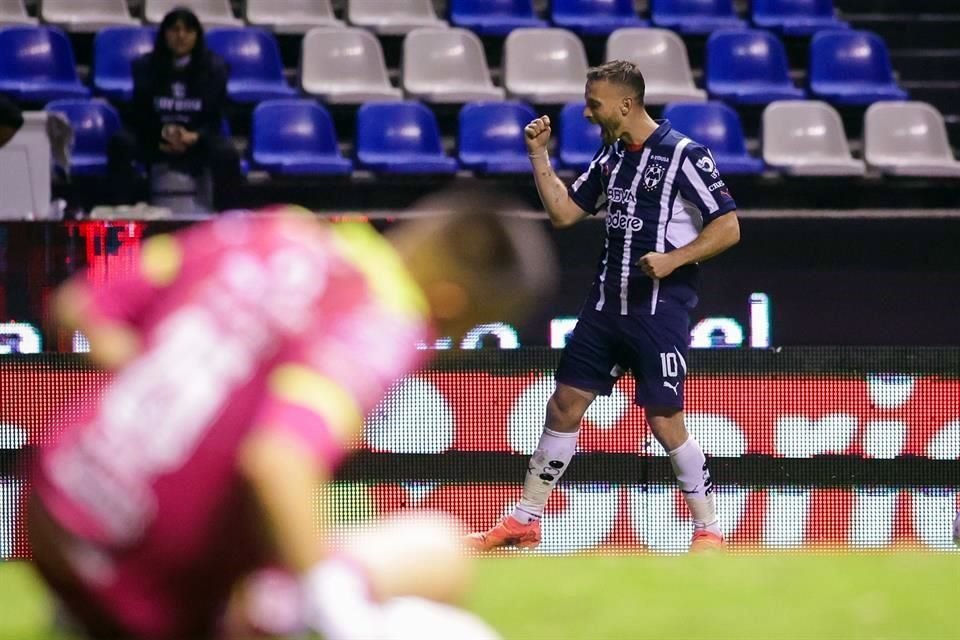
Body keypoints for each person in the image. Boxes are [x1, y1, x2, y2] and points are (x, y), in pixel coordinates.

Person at [27, 190, 555, 639]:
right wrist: (341, 616)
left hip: (52, 514)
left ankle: (83, 597)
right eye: (464, 333)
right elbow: (278, 460)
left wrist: (157, 397)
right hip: (149, 591)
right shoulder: (381, 321)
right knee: (435, 548)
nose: (449, 348)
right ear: (449, 299)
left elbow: (78, 304)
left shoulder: (275, 229)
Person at [466, 60, 741, 553]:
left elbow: (728, 227)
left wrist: (675, 259)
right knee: (565, 404)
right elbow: (565, 212)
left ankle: (708, 527)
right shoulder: (613, 155)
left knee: (663, 419)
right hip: (603, 306)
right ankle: (524, 520)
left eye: (594, 104)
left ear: (626, 103)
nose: (589, 113)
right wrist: (538, 156)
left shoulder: (685, 155)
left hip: (657, 310)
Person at [107, 7, 242, 210]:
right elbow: (140, 114)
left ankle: (228, 223)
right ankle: (121, 216)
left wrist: (194, 137)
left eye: (188, 30)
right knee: (121, 143)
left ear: (197, 35)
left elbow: (215, 117)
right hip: (155, 140)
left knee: (228, 154)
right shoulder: (145, 67)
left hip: (196, 140)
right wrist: (161, 134)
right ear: (165, 34)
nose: (181, 36)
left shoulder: (215, 69)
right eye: (175, 30)